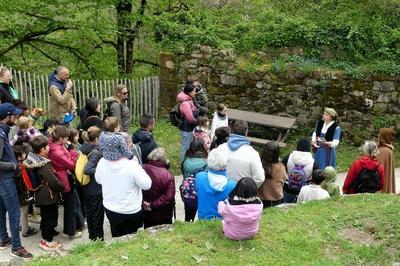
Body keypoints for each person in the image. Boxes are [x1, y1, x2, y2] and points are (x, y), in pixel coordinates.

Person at [95, 141, 152, 237]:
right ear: (126, 147)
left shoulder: (102, 162)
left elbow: (98, 180)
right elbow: (147, 184)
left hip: (111, 207)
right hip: (130, 210)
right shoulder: (131, 165)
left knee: (116, 236)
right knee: (133, 238)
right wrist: (138, 166)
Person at [0, 103, 33, 258]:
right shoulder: (0, 135)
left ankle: (4, 239)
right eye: (14, 115)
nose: (16, 117)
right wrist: (14, 165)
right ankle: (17, 248)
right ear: (8, 117)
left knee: (1, 210)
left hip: (4, 179)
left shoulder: (3, 132)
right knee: (14, 213)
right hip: (5, 180)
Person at [25, 136, 64, 251]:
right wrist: (62, 187)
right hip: (48, 195)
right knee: (50, 217)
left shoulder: (32, 159)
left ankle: (46, 236)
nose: (49, 147)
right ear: (42, 149)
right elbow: (52, 181)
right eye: (47, 146)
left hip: (39, 194)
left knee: (46, 216)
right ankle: (48, 241)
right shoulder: (43, 164)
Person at [48, 125, 82, 239]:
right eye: (66, 138)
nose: (68, 140)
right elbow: (71, 164)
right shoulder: (57, 151)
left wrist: (72, 153)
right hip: (64, 178)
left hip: (64, 174)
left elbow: (68, 157)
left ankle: (74, 227)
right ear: (61, 138)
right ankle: (69, 231)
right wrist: (75, 155)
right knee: (70, 205)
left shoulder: (56, 145)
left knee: (71, 204)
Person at [217, 120, 265, 188]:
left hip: (221, 191)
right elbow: (260, 178)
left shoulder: (220, 148)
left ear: (232, 131)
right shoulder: (253, 154)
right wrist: (247, 190)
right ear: (246, 132)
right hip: (241, 195)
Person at [196, 148, 236, 220]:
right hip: (222, 222)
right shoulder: (231, 185)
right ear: (225, 164)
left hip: (202, 220)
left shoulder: (199, 177)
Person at [80, 126, 104, 241]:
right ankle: (98, 239)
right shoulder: (94, 152)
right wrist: (102, 170)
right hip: (95, 189)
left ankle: (93, 237)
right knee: (97, 215)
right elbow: (87, 169)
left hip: (87, 187)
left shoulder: (84, 148)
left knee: (90, 214)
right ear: (96, 139)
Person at [142, 148, 175, 228]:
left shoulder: (142, 168)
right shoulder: (167, 175)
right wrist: (152, 205)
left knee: (149, 234)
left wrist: (144, 203)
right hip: (163, 213)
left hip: (146, 211)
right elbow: (169, 197)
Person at [12, 144, 38, 238]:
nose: (25, 154)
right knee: (24, 213)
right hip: (22, 195)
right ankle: (25, 230)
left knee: (19, 212)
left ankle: (21, 226)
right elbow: (24, 184)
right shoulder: (21, 167)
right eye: (23, 153)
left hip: (16, 194)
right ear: (19, 156)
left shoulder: (14, 165)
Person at [180, 139, 208, 222]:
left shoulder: (185, 161)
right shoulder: (205, 162)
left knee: (188, 216)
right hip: (201, 191)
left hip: (187, 191)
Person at [283, 139, 316, 203]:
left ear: (297, 146)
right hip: (303, 190)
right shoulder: (312, 161)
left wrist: (287, 178)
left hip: (288, 187)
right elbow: (316, 175)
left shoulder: (288, 157)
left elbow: (281, 169)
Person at [258, 142, 287, 208]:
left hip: (260, 199)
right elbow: (284, 179)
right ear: (277, 153)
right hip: (276, 200)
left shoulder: (259, 165)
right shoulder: (281, 167)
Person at [176, 81, 199, 160]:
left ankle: (187, 159)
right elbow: (190, 118)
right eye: (194, 91)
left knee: (188, 144)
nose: (195, 92)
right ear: (189, 92)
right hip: (186, 128)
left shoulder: (189, 98)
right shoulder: (185, 103)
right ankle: (183, 161)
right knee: (185, 146)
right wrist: (198, 122)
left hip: (188, 128)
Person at [377, 128, 396, 194]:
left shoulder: (383, 151)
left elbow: (379, 170)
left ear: (384, 136)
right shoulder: (388, 150)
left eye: (380, 134)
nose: (378, 135)